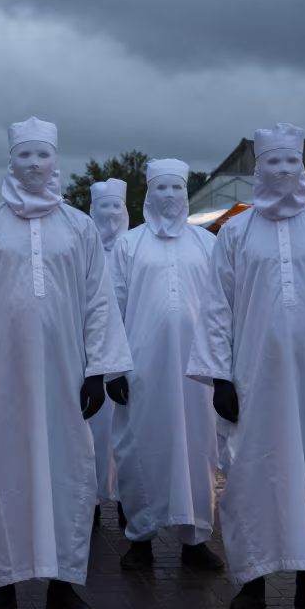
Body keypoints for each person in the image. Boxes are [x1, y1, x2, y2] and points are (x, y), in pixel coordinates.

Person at [0, 116, 133, 609]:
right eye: (25, 155)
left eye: (42, 155)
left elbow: (99, 303)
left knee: (68, 476)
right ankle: (3, 582)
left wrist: (98, 371)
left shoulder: (79, 227)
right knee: (0, 476)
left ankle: (63, 584)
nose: (34, 164)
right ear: (11, 161)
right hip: (1, 380)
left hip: (65, 380)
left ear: (55, 161)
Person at [187, 123, 305, 609]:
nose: (283, 170)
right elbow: (216, 309)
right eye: (273, 162)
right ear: (258, 170)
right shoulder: (233, 233)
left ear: (301, 168)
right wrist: (220, 376)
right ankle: (251, 581)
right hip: (253, 381)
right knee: (252, 474)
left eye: (291, 161)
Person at [108, 160, 223, 573]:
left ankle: (196, 539)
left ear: (186, 192)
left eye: (177, 187)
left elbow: (221, 309)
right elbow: (112, 308)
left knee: (200, 449)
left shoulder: (207, 244)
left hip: (198, 371)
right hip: (141, 368)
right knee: (138, 447)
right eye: (162, 188)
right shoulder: (128, 245)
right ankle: (140, 538)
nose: (170, 195)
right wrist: (112, 367)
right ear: (148, 194)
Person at [88, 178, 129, 530]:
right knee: (94, 437)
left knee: (129, 439)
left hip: (132, 364)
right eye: (105, 206)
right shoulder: (82, 250)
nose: (111, 213)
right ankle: (92, 502)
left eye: (117, 205)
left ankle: (129, 504)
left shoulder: (136, 248)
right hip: (91, 363)